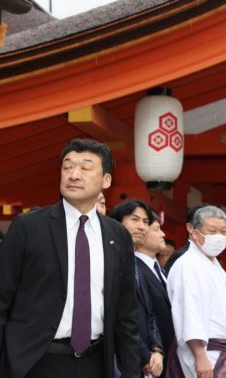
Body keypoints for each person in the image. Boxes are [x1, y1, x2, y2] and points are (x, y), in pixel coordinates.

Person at [0, 138, 141, 378]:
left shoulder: (117, 235)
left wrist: (131, 371)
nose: (74, 175)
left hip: (95, 363)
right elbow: (3, 297)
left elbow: (126, 314)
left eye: (85, 168)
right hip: (35, 362)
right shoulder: (29, 226)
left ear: (106, 180)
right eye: (68, 167)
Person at [168, 205, 226, 378]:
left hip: (225, 354)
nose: (219, 237)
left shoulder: (213, 265)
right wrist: (200, 355)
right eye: (212, 231)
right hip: (207, 354)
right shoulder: (188, 264)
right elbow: (189, 312)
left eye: (223, 232)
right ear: (193, 230)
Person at [109, 199, 165, 377]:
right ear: (117, 222)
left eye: (146, 222)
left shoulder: (135, 262)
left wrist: (157, 349)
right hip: (116, 357)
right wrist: (145, 355)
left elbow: (150, 312)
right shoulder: (108, 260)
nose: (142, 226)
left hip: (141, 359)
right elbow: (118, 315)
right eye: (135, 220)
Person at [135, 210, 175, 375]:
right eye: (157, 229)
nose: (163, 234)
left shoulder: (161, 271)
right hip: (150, 359)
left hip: (168, 358)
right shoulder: (134, 269)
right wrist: (148, 353)